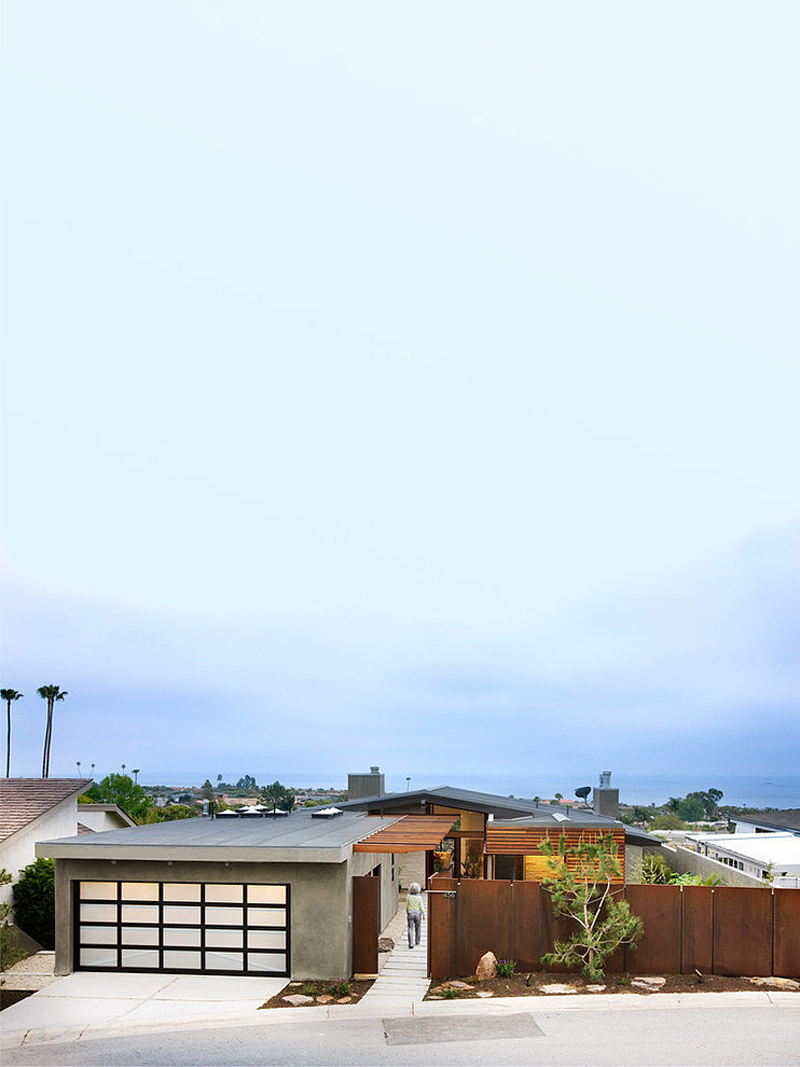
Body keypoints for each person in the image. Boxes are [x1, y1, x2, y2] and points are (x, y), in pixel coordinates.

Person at [406, 882, 424, 948]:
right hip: (417, 913)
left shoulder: (408, 896)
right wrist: (423, 913)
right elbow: (421, 906)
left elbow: (407, 906)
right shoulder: (419, 897)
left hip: (410, 913)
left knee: (410, 927)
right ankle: (417, 941)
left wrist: (407, 911)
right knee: (418, 927)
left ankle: (410, 943)